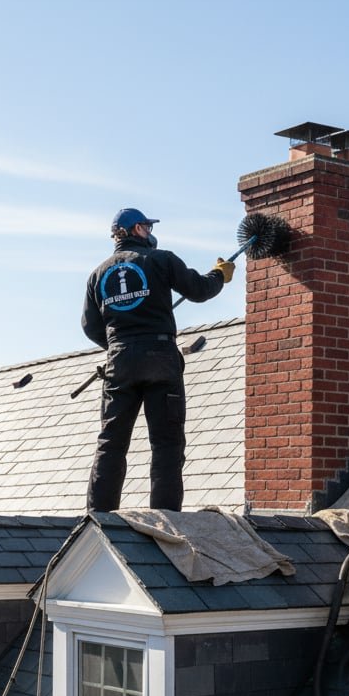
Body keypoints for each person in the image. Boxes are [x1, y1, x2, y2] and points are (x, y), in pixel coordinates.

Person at [82, 207, 234, 512]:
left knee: (111, 443)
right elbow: (199, 290)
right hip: (160, 358)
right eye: (148, 227)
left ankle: (98, 518)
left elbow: (90, 326)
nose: (151, 233)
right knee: (166, 445)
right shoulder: (161, 260)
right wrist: (219, 275)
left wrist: (119, 345)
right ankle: (165, 519)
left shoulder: (98, 275)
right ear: (137, 229)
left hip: (119, 362)